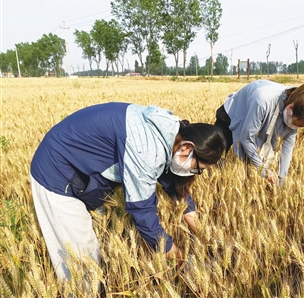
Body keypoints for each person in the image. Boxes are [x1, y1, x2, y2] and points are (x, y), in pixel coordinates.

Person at [30, 102, 226, 285]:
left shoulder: (172, 131)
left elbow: (167, 176)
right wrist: (174, 253)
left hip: (83, 167)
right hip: (58, 171)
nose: (195, 173)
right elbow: (142, 211)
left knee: (97, 240)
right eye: (197, 168)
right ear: (187, 148)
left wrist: (195, 220)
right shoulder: (146, 149)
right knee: (82, 262)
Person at [214, 80, 304, 186]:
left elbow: (287, 149)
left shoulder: (297, 110)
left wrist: (281, 180)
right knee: (216, 155)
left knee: (252, 162)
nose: (295, 128)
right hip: (231, 114)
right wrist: (262, 170)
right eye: (297, 123)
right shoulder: (263, 101)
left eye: (300, 126)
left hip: (257, 118)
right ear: (290, 108)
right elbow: (246, 138)